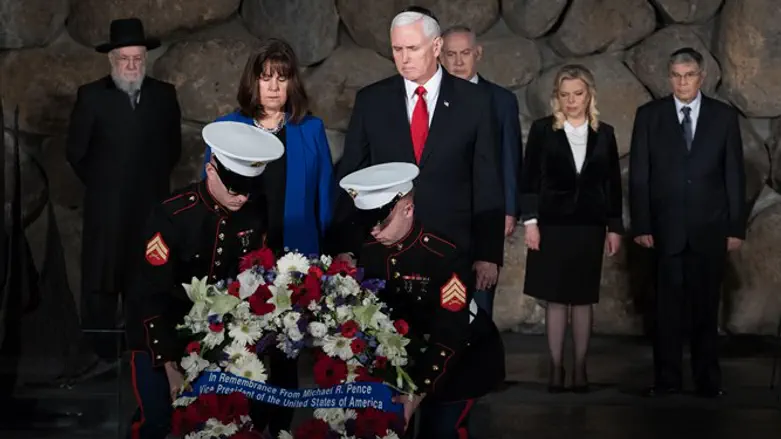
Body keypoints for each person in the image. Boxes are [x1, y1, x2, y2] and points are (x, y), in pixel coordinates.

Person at [200, 37, 334, 435]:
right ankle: (251, 427)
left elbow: (324, 197)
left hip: (296, 260)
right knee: (245, 352)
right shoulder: (227, 128)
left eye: (282, 77)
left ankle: (280, 429)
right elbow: (211, 198)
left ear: (293, 83)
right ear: (253, 81)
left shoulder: (310, 130)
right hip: (242, 260)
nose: (274, 87)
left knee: (287, 354)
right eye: (265, 77)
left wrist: (324, 260)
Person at [123, 121, 283, 439]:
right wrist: (169, 364)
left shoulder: (254, 211)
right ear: (211, 171)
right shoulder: (172, 216)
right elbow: (150, 293)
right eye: (234, 189)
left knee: (233, 420)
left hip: (222, 336)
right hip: (162, 330)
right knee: (159, 420)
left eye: (248, 190)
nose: (242, 198)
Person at [330, 8, 505, 296]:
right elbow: (352, 175)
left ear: (436, 47)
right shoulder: (371, 101)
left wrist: (488, 253)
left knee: (450, 326)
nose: (404, 58)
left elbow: (487, 180)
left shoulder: (476, 102)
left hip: (452, 250)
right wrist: (345, 247)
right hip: (385, 250)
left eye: (413, 48)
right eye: (397, 49)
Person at [341, 162, 505, 439]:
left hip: (459, 359)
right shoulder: (369, 249)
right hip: (403, 356)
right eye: (369, 221)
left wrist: (415, 395)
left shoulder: (445, 256)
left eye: (382, 221)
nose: (374, 231)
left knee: (440, 430)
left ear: (408, 209)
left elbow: (450, 332)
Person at [629, 47, 746, 398]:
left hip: (710, 229)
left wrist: (735, 227)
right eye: (677, 76)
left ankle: (707, 381)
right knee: (666, 312)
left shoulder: (723, 117)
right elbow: (639, 176)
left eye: (689, 75)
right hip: (666, 230)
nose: (682, 82)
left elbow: (734, 176)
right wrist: (642, 224)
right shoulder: (649, 116)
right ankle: (667, 380)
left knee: (705, 310)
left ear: (701, 77)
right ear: (669, 78)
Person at [66, 17, 182, 363]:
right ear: (112, 59)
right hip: (105, 212)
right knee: (100, 283)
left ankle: (142, 359)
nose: (132, 66)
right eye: (124, 59)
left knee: (146, 282)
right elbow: (76, 153)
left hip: (149, 210)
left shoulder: (164, 96)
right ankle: (99, 360)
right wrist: (105, 186)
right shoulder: (91, 97)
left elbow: (173, 150)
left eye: (137, 58)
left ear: (145, 59)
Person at [519, 64, 623, 393]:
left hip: (589, 226)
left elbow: (612, 184)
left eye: (577, 94)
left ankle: (579, 367)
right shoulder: (542, 130)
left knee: (581, 299)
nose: (571, 101)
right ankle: (555, 367)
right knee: (555, 299)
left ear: (589, 95)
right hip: (551, 226)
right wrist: (531, 222)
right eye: (565, 95)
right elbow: (529, 180)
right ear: (557, 97)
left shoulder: (604, 133)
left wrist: (614, 227)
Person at [439, 24, 523, 317]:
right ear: (440, 56)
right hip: (440, 213)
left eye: (465, 53)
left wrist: (509, 210)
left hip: (486, 212)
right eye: (450, 54)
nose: (458, 61)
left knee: (481, 293)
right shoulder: (429, 99)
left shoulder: (501, 100)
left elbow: (510, 156)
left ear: (478, 53)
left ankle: (479, 345)